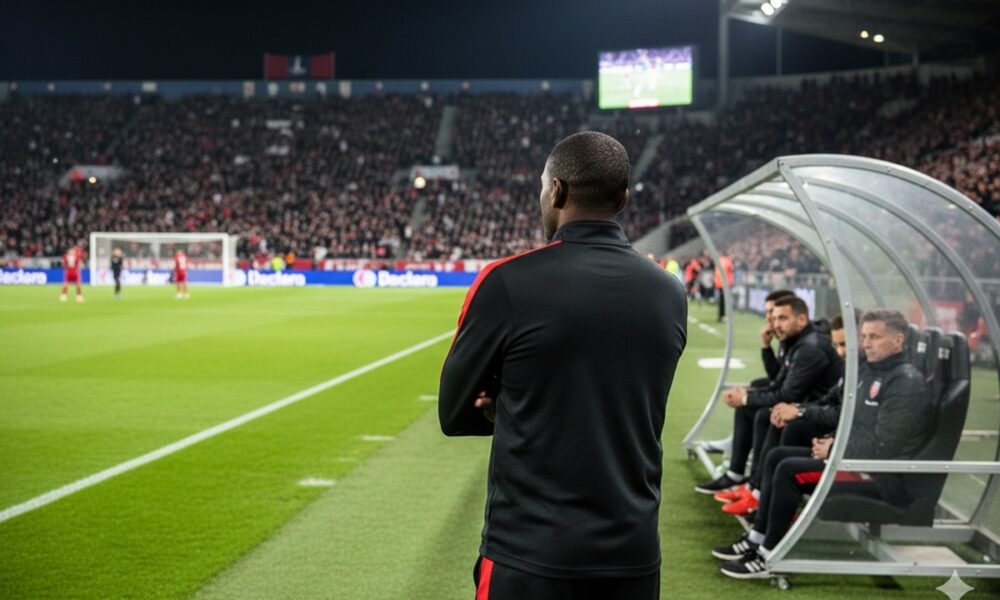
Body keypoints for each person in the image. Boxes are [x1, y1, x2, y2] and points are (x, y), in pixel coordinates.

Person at [439, 131, 687, 600]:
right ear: (623, 199)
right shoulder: (670, 292)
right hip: (632, 553)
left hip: (530, 553)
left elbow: (453, 415)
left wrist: (508, 404)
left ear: (556, 191)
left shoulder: (507, 281)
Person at [715, 309, 931, 580]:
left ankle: (769, 556)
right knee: (777, 456)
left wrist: (834, 448)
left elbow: (886, 447)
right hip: (855, 459)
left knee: (788, 469)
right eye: (864, 336)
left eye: (874, 337)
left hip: (880, 476)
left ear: (898, 341)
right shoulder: (869, 369)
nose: (865, 343)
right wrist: (831, 438)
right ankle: (757, 538)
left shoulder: (905, 383)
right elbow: (851, 418)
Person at [695, 296, 841, 496]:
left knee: (768, 415)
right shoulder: (793, 339)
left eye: (780, 317)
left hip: (817, 411)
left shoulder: (810, 347)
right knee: (755, 405)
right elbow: (778, 380)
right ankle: (741, 478)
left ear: (801, 319)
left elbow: (788, 393)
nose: (772, 322)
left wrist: (747, 398)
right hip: (812, 405)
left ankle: (758, 488)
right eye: (771, 316)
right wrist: (749, 393)